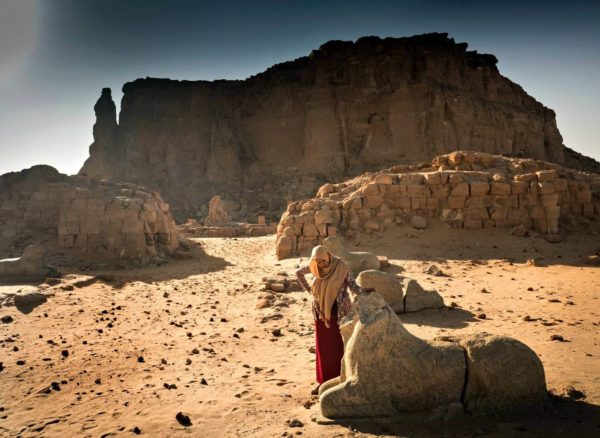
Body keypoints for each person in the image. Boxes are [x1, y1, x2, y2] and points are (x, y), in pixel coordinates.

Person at [296, 245, 373, 393]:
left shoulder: (342, 267)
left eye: (324, 261)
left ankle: (340, 378)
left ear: (329, 256)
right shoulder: (315, 267)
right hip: (321, 313)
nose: (322, 265)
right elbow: (298, 273)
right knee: (323, 348)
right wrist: (310, 290)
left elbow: (352, 286)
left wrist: (363, 291)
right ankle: (323, 381)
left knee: (338, 345)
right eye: (318, 262)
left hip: (339, 312)